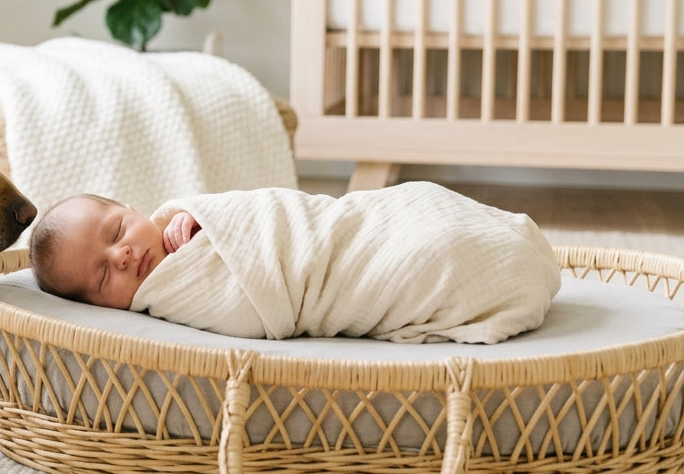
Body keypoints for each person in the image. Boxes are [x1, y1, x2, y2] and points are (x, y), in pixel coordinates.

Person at [28, 182, 561, 344]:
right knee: (430, 257)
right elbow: (253, 311)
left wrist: (200, 219)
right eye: (103, 276)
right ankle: (484, 263)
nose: (122, 255)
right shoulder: (171, 300)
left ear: (134, 207)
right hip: (345, 276)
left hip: (344, 229)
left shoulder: (190, 217)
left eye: (117, 231)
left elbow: (281, 216)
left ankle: (489, 241)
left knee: (416, 204)